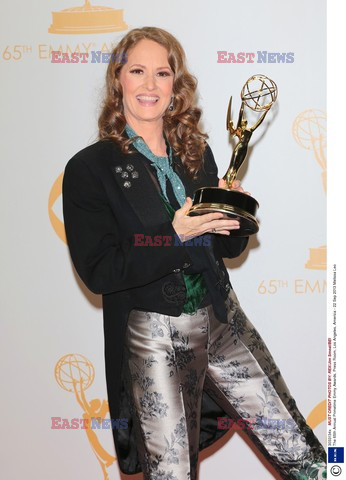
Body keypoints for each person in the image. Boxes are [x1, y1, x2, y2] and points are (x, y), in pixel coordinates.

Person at [62, 26, 327, 480]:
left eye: (161, 73)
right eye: (138, 71)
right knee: (171, 473)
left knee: (299, 447)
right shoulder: (90, 168)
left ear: (175, 85)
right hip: (155, 340)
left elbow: (224, 247)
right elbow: (101, 271)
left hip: (224, 318)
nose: (150, 85)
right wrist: (174, 233)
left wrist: (231, 212)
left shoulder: (194, 151)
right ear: (118, 80)